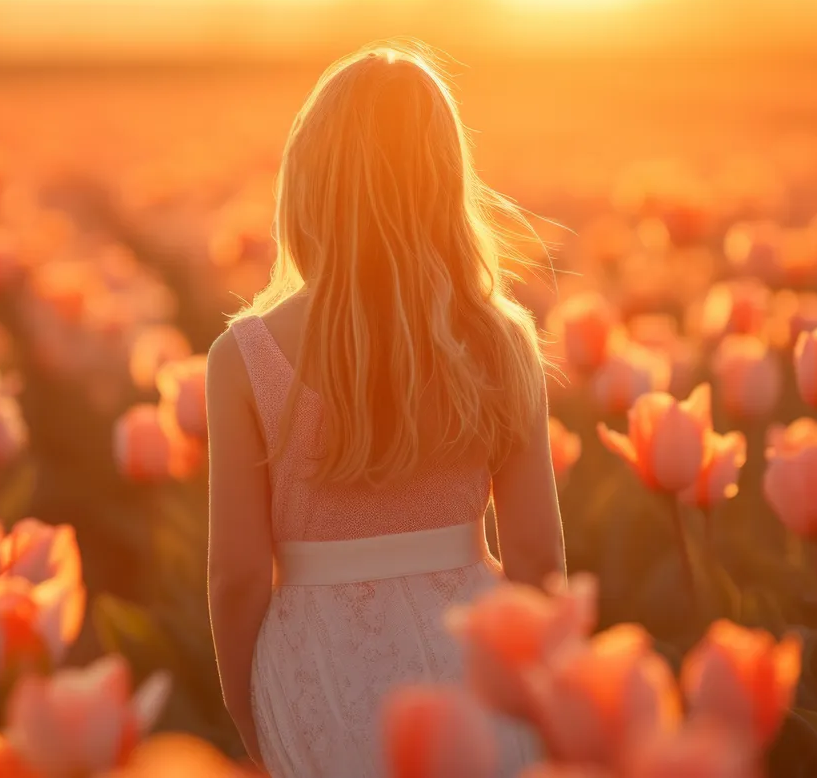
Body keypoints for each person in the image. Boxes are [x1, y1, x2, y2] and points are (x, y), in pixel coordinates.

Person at [205, 40, 566, 778]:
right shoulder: (500, 341)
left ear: (308, 178)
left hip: (317, 669)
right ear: (446, 181)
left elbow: (235, 576)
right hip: (472, 658)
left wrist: (251, 716)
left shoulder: (244, 357)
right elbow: (538, 557)